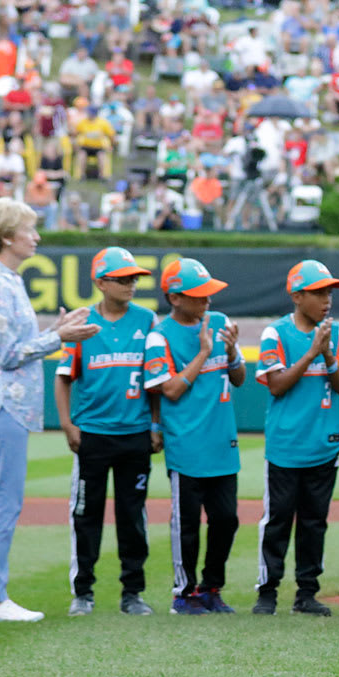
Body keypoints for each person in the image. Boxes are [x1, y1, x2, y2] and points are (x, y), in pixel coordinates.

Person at [0, 200, 96, 623]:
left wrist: (56, 330)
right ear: (7, 237)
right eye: (29, 229)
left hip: (3, 399)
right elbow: (7, 355)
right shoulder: (0, 285)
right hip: (5, 400)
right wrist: (60, 337)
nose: (36, 236)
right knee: (4, 500)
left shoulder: (4, 279)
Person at [55, 247, 156, 617]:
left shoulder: (147, 320)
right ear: (100, 282)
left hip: (135, 432)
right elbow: (64, 378)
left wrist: (156, 424)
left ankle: (133, 592)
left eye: (134, 278)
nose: (131, 284)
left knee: (133, 515)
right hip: (93, 433)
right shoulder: (82, 323)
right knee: (86, 515)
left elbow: (156, 377)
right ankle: (83, 592)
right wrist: (68, 424)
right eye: (123, 278)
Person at [253, 260, 339, 617]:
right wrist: (312, 351)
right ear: (297, 296)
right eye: (319, 292)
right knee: (278, 520)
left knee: (314, 523)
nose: (327, 299)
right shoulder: (275, 334)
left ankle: (307, 593)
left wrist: (326, 352)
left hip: (323, 445)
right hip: (285, 446)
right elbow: (276, 385)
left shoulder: (337, 334)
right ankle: (267, 590)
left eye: (329, 292)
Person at [146, 258, 245, 615]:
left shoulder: (218, 324)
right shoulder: (160, 335)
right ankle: (183, 594)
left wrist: (231, 352)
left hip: (222, 442)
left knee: (226, 520)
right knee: (186, 525)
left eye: (208, 295)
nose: (206, 301)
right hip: (185, 443)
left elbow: (239, 379)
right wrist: (204, 352)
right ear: (174, 297)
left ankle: (211, 588)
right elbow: (170, 390)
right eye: (198, 295)